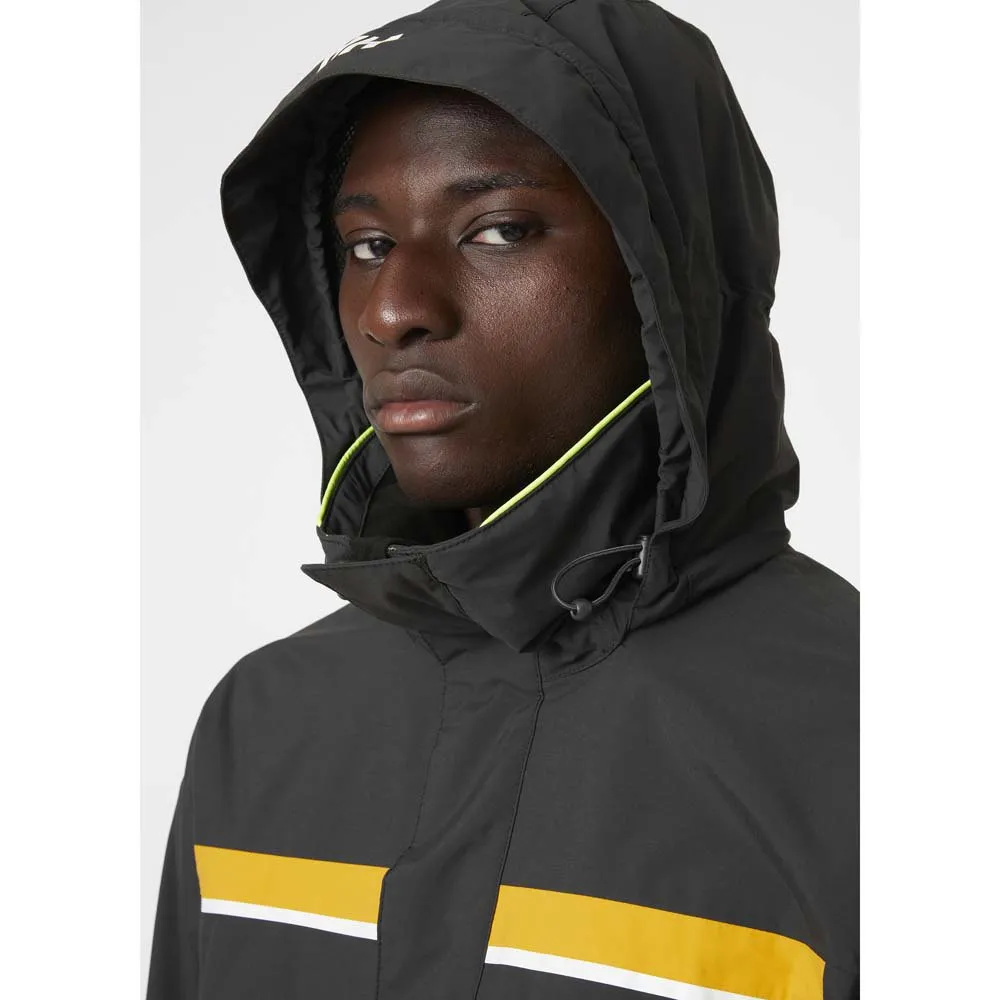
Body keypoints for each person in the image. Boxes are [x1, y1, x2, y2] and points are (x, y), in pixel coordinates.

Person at [147, 0, 859, 997]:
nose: (394, 310)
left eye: (498, 230)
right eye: (366, 245)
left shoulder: (868, 743)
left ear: (674, 276)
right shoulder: (263, 720)